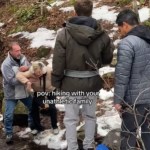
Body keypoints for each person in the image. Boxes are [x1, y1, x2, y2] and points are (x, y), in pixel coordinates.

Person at [52, 0, 114, 149]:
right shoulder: (102, 34)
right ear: (91, 12)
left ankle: (72, 147)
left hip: (71, 84)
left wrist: (57, 81)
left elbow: (58, 61)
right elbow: (107, 59)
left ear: (75, 12)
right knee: (90, 116)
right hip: (91, 83)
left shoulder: (64, 34)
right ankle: (89, 145)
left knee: (71, 119)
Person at [114, 9, 150, 150]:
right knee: (148, 133)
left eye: (119, 28)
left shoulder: (127, 43)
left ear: (125, 25)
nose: (120, 32)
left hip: (134, 101)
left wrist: (118, 100)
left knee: (129, 134)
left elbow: (122, 75)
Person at [1, 42, 33, 144]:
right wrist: (23, 76)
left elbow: (31, 68)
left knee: (33, 108)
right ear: (10, 51)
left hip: (24, 92)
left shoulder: (23, 58)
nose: (19, 52)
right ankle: (9, 133)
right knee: (9, 115)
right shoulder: (6, 64)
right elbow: (11, 81)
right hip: (12, 94)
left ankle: (32, 127)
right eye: (17, 51)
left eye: (20, 50)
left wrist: (27, 68)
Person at [16, 60, 59, 134]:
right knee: (34, 108)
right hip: (39, 91)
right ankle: (37, 127)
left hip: (50, 90)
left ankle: (54, 126)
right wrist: (27, 81)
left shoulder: (49, 70)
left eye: (39, 72)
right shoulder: (30, 72)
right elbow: (18, 75)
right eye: (36, 73)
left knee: (52, 107)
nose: (38, 74)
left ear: (42, 69)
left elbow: (59, 73)